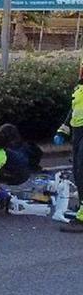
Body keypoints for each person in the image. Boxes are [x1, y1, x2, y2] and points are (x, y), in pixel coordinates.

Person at [57, 68, 83, 233]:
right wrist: (63, 130)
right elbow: (73, 110)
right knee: (78, 172)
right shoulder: (79, 87)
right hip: (78, 132)